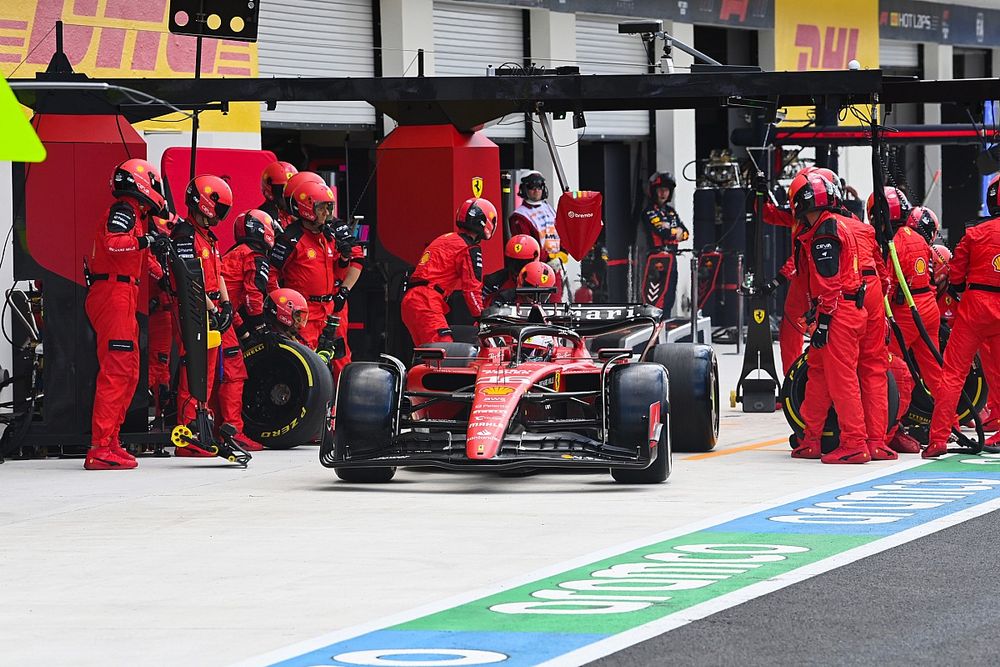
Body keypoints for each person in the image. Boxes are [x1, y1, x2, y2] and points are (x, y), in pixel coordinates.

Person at [85, 158, 170, 470]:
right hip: (113, 293)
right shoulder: (124, 210)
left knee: (130, 371)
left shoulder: (134, 214)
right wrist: (148, 240)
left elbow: (140, 256)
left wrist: (162, 274)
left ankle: (111, 441)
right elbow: (114, 244)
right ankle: (99, 448)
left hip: (122, 293)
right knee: (117, 370)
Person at [788, 173, 870, 464]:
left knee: (841, 380)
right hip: (841, 311)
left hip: (837, 314)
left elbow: (830, 283)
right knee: (818, 375)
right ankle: (810, 439)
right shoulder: (834, 225)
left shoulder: (825, 231)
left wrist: (823, 322)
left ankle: (855, 443)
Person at [924, 176, 1000, 456]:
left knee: (953, 374)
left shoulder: (975, 233)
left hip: (974, 307)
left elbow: (956, 275)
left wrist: (960, 290)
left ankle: (938, 439)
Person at [171, 174, 234, 456]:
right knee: (192, 370)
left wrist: (226, 304)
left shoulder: (208, 237)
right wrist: (212, 307)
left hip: (209, 308)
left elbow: (217, 273)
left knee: (207, 373)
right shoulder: (184, 235)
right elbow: (188, 278)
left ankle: (202, 430)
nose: (220, 215)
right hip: (193, 308)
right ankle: (187, 436)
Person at [869, 189, 943, 401]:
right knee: (935, 372)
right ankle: (948, 419)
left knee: (891, 364)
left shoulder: (891, 244)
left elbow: (887, 285)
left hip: (906, 311)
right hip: (929, 308)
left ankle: (896, 418)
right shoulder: (918, 238)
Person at [216, 209, 277, 452]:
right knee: (234, 371)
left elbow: (231, 303)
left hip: (211, 314)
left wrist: (245, 334)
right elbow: (253, 297)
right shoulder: (255, 256)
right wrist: (262, 328)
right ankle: (234, 432)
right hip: (217, 316)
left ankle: (215, 430)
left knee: (213, 373)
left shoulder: (235, 252)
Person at [401, 198, 497, 347]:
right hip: (427, 301)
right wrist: (481, 318)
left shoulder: (445, 239)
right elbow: (471, 289)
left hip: (411, 300)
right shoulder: (468, 247)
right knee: (444, 352)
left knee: (426, 353)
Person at [269, 180, 345, 359]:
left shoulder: (328, 237)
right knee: (308, 361)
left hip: (327, 312)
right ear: (307, 208)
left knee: (331, 360)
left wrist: (344, 259)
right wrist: (281, 305)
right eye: (322, 208)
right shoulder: (290, 238)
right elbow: (271, 273)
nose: (326, 213)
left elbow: (336, 273)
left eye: (329, 208)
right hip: (302, 314)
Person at [640, 171, 690, 314]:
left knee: (670, 296)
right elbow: (663, 232)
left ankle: (665, 323)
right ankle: (654, 324)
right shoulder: (649, 211)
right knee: (656, 297)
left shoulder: (671, 212)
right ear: (654, 191)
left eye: (666, 190)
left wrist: (673, 230)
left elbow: (686, 233)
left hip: (672, 258)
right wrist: (675, 231)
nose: (663, 193)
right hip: (656, 259)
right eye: (660, 190)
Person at [509, 171, 563, 301]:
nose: (536, 190)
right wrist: (549, 258)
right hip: (535, 269)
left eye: (539, 186)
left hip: (556, 265)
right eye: (531, 187)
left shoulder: (549, 209)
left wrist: (563, 254)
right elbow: (527, 245)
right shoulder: (520, 216)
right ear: (524, 189)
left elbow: (562, 231)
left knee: (557, 304)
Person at [147, 212, 176, 423]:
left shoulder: (159, 257)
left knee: (162, 367)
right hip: (154, 314)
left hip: (160, 313)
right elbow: (162, 281)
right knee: (157, 365)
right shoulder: (150, 257)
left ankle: (161, 414)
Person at [484, 234, 540, 306]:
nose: (518, 267)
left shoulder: (544, 277)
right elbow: (482, 307)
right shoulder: (493, 281)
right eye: (514, 262)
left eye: (523, 263)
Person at [258, 161, 298, 231]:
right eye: (283, 190)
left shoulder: (295, 215)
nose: (289, 195)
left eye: (292, 189)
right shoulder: (262, 219)